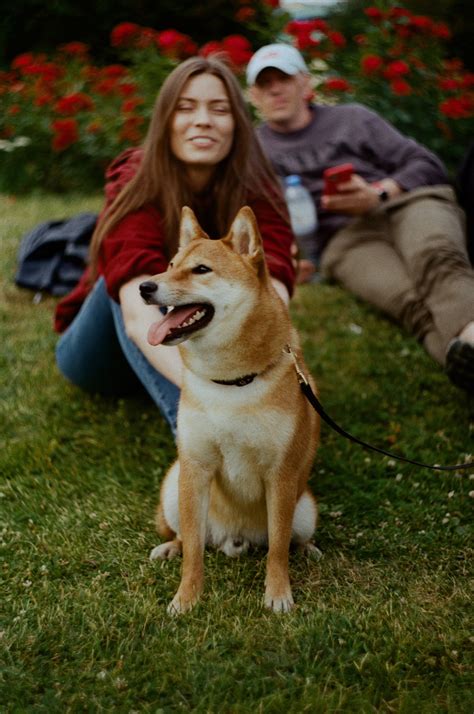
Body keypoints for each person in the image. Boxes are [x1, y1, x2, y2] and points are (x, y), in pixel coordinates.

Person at [54, 56, 295, 436]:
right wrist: (218, 397)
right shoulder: (135, 175)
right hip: (103, 355)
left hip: (200, 340)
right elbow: (136, 314)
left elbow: (274, 279)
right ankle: (196, 437)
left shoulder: (257, 184)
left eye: (219, 109)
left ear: (237, 124)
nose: (203, 120)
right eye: (185, 107)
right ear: (165, 120)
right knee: (135, 284)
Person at [246, 43, 474, 393]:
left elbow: (428, 165)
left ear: (306, 83)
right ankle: (460, 359)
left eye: (285, 78)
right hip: (347, 238)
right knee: (405, 299)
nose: (275, 89)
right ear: (253, 95)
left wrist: (378, 192)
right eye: (265, 84)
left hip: (406, 204)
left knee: (436, 258)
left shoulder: (352, 118)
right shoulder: (251, 152)